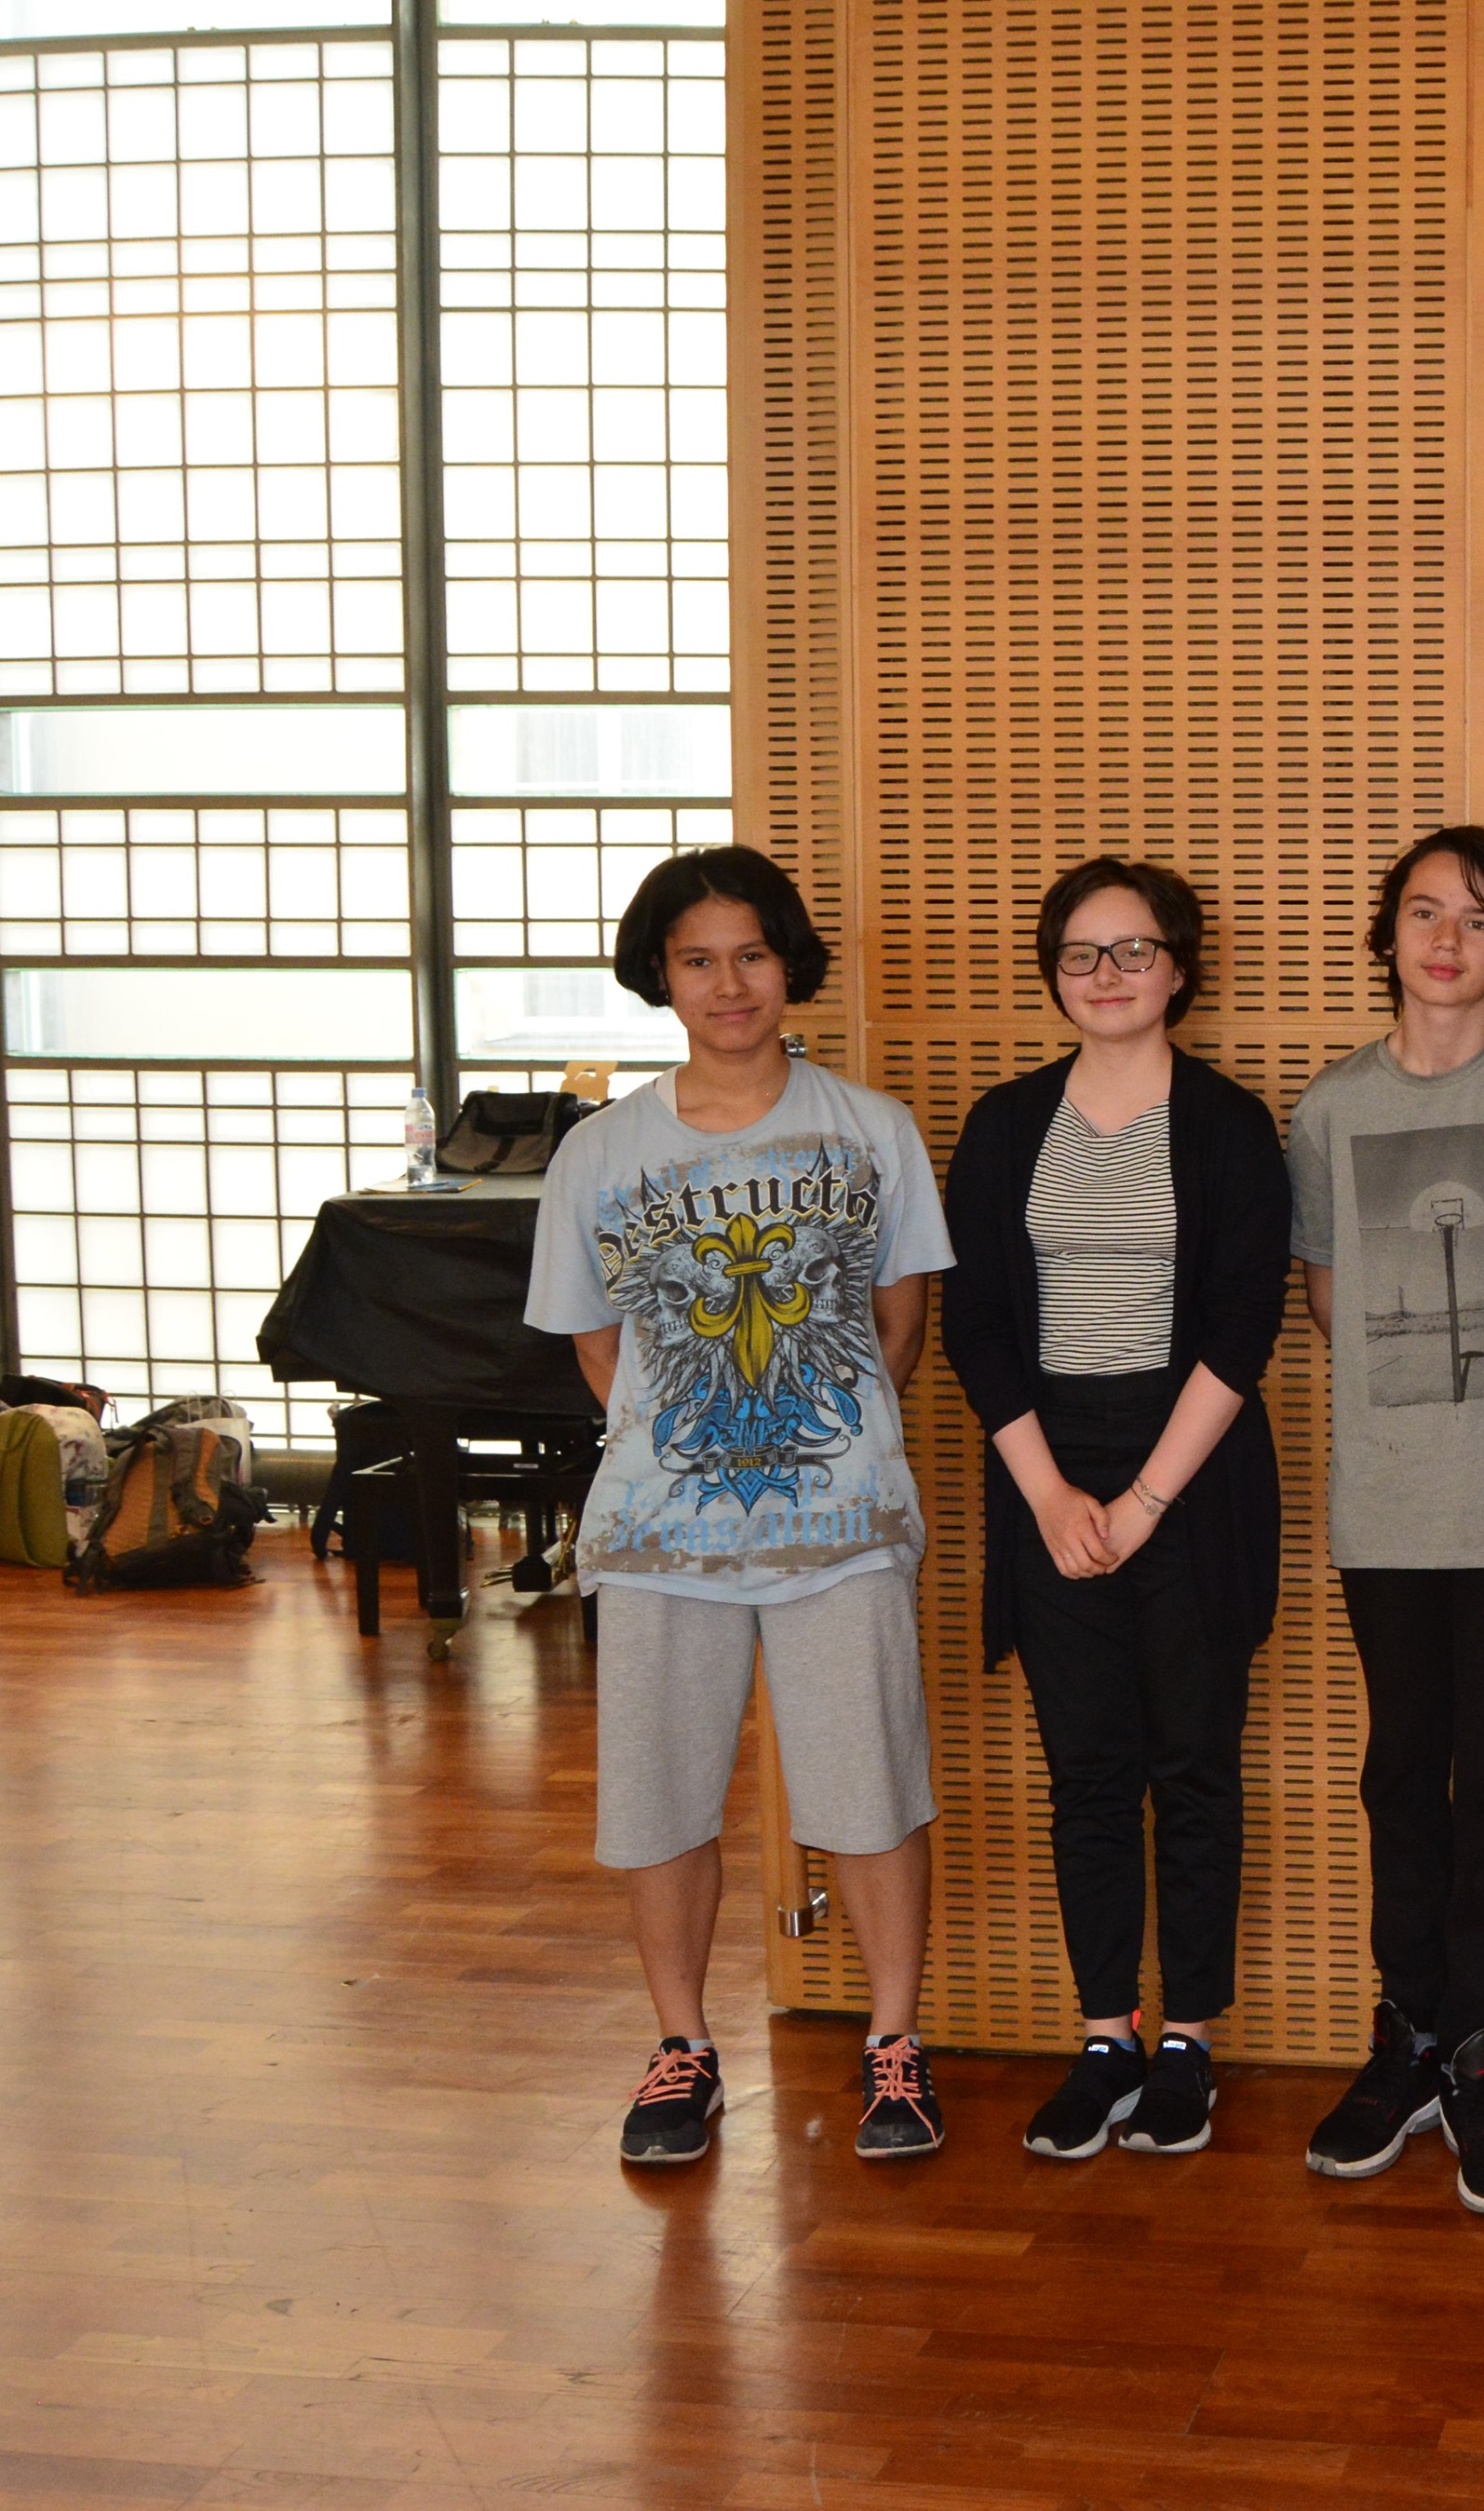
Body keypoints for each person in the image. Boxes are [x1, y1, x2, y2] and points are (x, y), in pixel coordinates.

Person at [527, 845, 958, 2167]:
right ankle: (681, 2045)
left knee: (872, 1785)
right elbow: (596, 1345)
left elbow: (901, 1322)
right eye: (699, 959)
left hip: (843, 1528)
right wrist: (692, 1443)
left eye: (753, 955)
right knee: (659, 1798)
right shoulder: (601, 1150)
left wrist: (812, 1441)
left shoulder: (871, 1129)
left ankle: (894, 2043)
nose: (730, 985)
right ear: (660, 975)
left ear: (789, 965)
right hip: (660, 1535)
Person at [941, 857, 1288, 2165]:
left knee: (1192, 1763)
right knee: (1086, 1768)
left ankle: (1187, 2039)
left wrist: (1144, 1498)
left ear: (1178, 968)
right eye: (1082, 953)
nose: (1108, 974)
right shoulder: (1004, 1123)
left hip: (1189, 1466)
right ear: (1055, 974)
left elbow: (1243, 1322)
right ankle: (1106, 2036)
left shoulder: (1229, 1123)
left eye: (1134, 950)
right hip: (1048, 1461)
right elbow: (977, 1321)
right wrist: (1048, 1494)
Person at [1287, 827, 1484, 2217]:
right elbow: (1326, 1290)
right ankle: (1406, 2033)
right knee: (1403, 1773)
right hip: (1390, 1501)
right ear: (1389, 935)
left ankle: (1481, 2049)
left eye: (1477, 920)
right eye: (1423, 912)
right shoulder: (1332, 1109)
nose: (1447, 940)